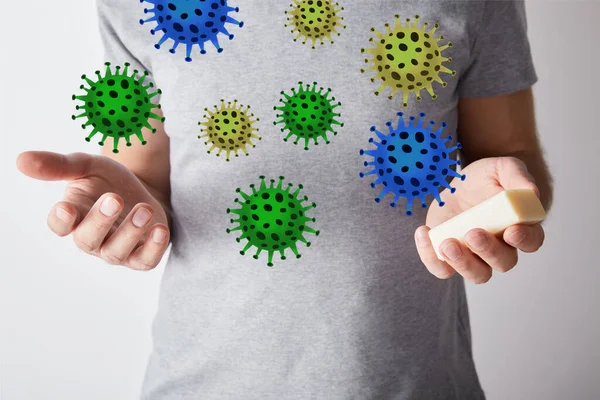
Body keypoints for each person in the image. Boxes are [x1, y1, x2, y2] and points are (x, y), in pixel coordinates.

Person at [17, 0, 553, 398]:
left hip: (415, 383)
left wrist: (496, 201)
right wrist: (125, 216)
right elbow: (145, 178)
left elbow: (511, 157)